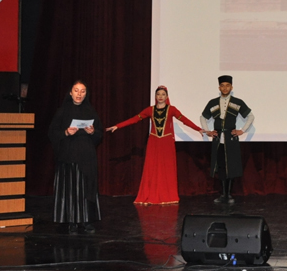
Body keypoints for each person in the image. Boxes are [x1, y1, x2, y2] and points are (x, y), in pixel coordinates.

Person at [105, 85, 204, 205]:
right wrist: (118, 126)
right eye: (158, 94)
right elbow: (135, 119)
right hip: (154, 141)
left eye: (163, 94)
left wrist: (198, 129)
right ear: (155, 96)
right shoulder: (150, 110)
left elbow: (184, 120)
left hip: (166, 142)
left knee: (167, 168)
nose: (160, 97)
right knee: (152, 167)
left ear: (167, 97)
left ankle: (167, 196)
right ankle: (150, 194)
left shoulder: (172, 109)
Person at [48, 80, 104, 235]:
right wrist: (66, 132)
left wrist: (92, 132)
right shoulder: (62, 111)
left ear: (86, 94)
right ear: (70, 92)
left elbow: (100, 133)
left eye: (83, 91)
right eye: (76, 90)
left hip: (87, 157)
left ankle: (86, 221)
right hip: (68, 157)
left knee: (86, 189)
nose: (79, 94)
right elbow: (52, 133)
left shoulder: (91, 111)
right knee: (71, 190)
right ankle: (72, 222)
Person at [200, 75, 255, 204]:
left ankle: (228, 194)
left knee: (230, 166)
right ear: (219, 88)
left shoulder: (238, 102)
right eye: (222, 86)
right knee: (220, 167)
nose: (225, 88)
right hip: (218, 138)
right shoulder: (213, 102)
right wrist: (207, 131)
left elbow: (251, 116)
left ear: (231, 87)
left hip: (231, 138)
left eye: (227, 85)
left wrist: (242, 130)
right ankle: (223, 194)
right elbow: (203, 117)